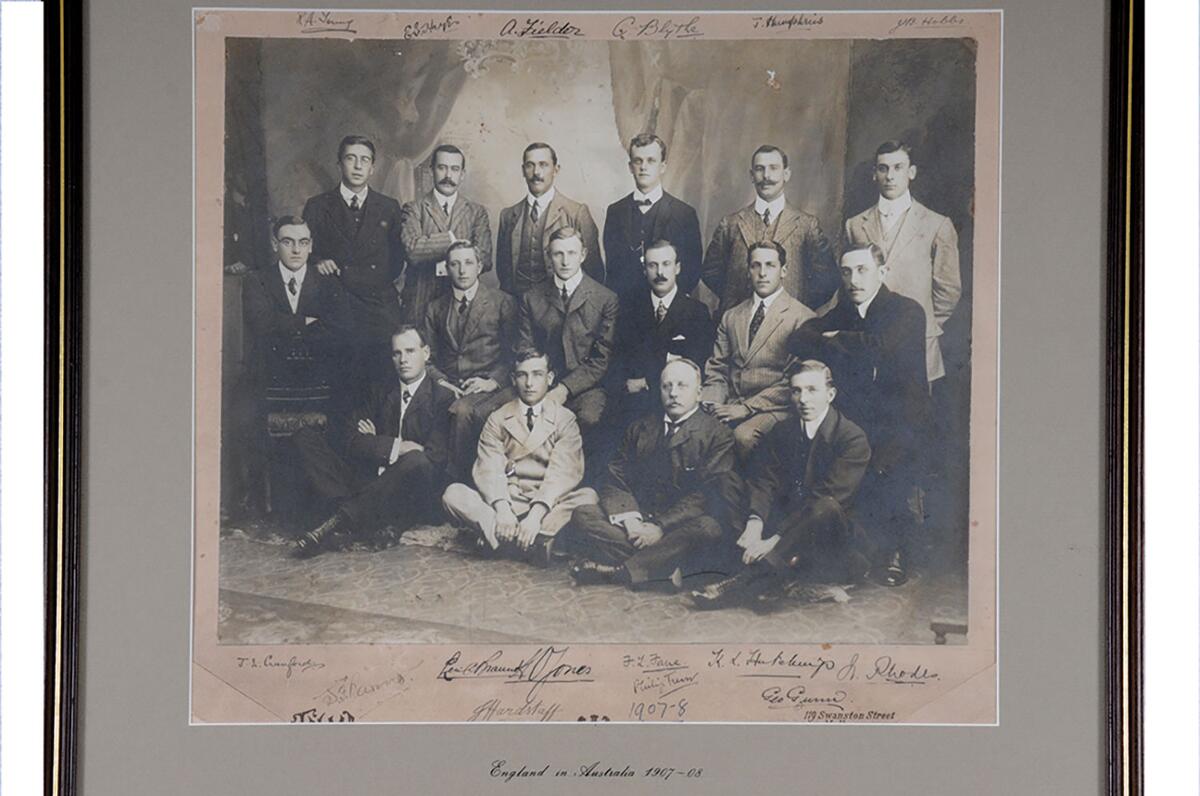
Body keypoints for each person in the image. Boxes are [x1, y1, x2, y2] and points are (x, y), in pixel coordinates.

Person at [789, 245, 930, 586]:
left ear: (882, 272)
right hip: (858, 420)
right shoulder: (843, 312)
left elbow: (883, 346)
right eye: (847, 272)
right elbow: (800, 337)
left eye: (863, 270)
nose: (854, 280)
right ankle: (845, 555)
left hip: (902, 421)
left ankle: (895, 551)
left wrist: (838, 340)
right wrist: (847, 339)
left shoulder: (907, 311)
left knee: (888, 471)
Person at [690, 361, 870, 609]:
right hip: (784, 527)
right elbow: (765, 480)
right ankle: (768, 568)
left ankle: (741, 582)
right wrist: (755, 522)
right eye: (796, 391)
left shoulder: (852, 437)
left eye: (812, 390)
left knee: (824, 506)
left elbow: (827, 499)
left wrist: (774, 538)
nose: (803, 399)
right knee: (726, 481)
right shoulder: (782, 430)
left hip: (827, 541)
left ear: (831, 394)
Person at [562, 359, 735, 589]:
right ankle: (660, 567)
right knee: (583, 514)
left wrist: (660, 527)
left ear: (699, 392)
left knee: (708, 529)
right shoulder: (641, 428)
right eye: (667, 386)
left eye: (682, 386)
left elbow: (706, 494)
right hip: (638, 522)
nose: (673, 393)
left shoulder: (717, 434)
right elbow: (615, 478)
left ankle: (619, 572)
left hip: (678, 527)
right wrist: (631, 520)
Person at [290, 325, 456, 558]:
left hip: (405, 494)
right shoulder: (380, 391)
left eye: (410, 351)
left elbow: (433, 457)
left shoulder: (442, 397)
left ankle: (339, 520)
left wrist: (375, 441)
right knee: (304, 438)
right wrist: (397, 447)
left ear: (426, 353)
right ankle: (352, 513)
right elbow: (351, 440)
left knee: (417, 460)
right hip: (367, 481)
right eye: (397, 353)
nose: (403, 360)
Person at [442, 349, 599, 565]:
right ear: (513, 379)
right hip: (508, 500)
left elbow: (562, 474)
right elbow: (490, 468)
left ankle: (512, 538)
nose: (529, 383)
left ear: (550, 378)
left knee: (588, 497)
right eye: (522, 375)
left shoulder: (565, 419)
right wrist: (502, 510)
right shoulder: (498, 418)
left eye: (537, 374)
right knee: (453, 494)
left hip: (546, 505)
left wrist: (535, 515)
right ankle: (530, 541)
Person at [240, 216, 354, 512]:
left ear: (311, 246)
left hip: (316, 378)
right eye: (288, 242)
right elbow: (261, 324)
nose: (296, 250)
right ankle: (260, 503)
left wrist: (287, 326)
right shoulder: (257, 280)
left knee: (346, 407)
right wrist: (306, 322)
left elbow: (341, 328)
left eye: (303, 243)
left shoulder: (327, 281)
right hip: (271, 379)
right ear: (274, 244)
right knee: (244, 411)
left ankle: (333, 501)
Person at [843, 140, 961, 384]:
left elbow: (948, 289)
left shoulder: (937, 224)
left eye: (898, 168)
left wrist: (920, 323)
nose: (890, 176)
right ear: (874, 174)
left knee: (912, 417)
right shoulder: (855, 225)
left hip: (917, 344)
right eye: (883, 168)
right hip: (868, 341)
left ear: (911, 172)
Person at [302, 135, 406, 396]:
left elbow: (395, 263)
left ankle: (379, 438)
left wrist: (348, 273)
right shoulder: (317, 206)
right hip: (337, 309)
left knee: (381, 388)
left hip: (378, 309)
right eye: (351, 159)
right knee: (341, 389)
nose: (358, 166)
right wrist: (318, 261)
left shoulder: (389, 207)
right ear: (339, 164)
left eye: (364, 160)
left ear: (372, 167)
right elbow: (304, 254)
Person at [701, 241, 815, 459]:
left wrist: (747, 408)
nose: (762, 273)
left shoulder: (802, 318)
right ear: (748, 270)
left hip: (773, 408)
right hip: (730, 402)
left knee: (743, 436)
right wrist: (712, 404)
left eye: (770, 265)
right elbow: (717, 367)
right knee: (697, 426)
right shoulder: (732, 315)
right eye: (756, 265)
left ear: (783, 270)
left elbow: (793, 380)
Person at [700, 144, 837, 316]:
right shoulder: (731, 224)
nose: (766, 176)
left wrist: (797, 305)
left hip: (788, 325)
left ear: (786, 174)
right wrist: (736, 299)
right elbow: (710, 273)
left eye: (773, 168)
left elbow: (829, 279)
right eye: (759, 169)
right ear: (751, 175)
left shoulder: (807, 225)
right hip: (741, 324)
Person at [420, 240, 518, 477]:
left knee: (463, 411)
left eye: (468, 263)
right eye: (455, 264)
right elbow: (427, 358)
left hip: (491, 387)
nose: (462, 270)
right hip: (449, 384)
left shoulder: (502, 302)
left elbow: (514, 355)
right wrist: (443, 382)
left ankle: (459, 480)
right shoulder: (435, 308)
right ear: (446, 268)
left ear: (479, 266)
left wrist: (491, 381)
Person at [516, 226, 619, 438]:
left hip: (586, 387)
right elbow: (526, 348)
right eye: (558, 254)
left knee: (589, 419)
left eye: (571, 253)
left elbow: (601, 360)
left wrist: (564, 389)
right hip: (540, 381)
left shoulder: (605, 298)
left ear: (583, 255)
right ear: (548, 256)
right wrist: (539, 383)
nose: (565, 261)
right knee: (512, 417)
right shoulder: (532, 297)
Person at [610, 239, 714, 422]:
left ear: (678, 267)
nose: (660, 273)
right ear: (644, 271)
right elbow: (622, 359)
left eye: (666, 264)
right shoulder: (630, 310)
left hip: (678, 400)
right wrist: (667, 357)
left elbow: (696, 363)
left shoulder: (697, 311)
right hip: (635, 404)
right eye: (652, 265)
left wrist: (646, 380)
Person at [601, 133, 703, 304]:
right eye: (638, 161)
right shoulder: (615, 212)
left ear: (662, 166)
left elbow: (692, 267)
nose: (643, 167)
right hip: (627, 309)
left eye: (651, 161)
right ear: (630, 167)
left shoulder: (684, 214)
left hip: (668, 307)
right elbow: (612, 266)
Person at [398, 144, 493, 325]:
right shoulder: (413, 208)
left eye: (454, 169)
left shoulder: (476, 212)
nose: (448, 176)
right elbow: (412, 250)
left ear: (462, 174)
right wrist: (452, 241)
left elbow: (485, 258)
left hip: (462, 306)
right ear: (431, 170)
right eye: (442, 168)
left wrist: (434, 251)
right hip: (421, 304)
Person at [495, 142, 604, 295]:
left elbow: (594, 273)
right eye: (530, 165)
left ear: (556, 169)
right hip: (517, 308)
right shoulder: (508, 216)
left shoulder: (577, 213)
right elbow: (503, 271)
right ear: (523, 170)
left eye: (543, 165)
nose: (536, 172)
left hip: (560, 310)